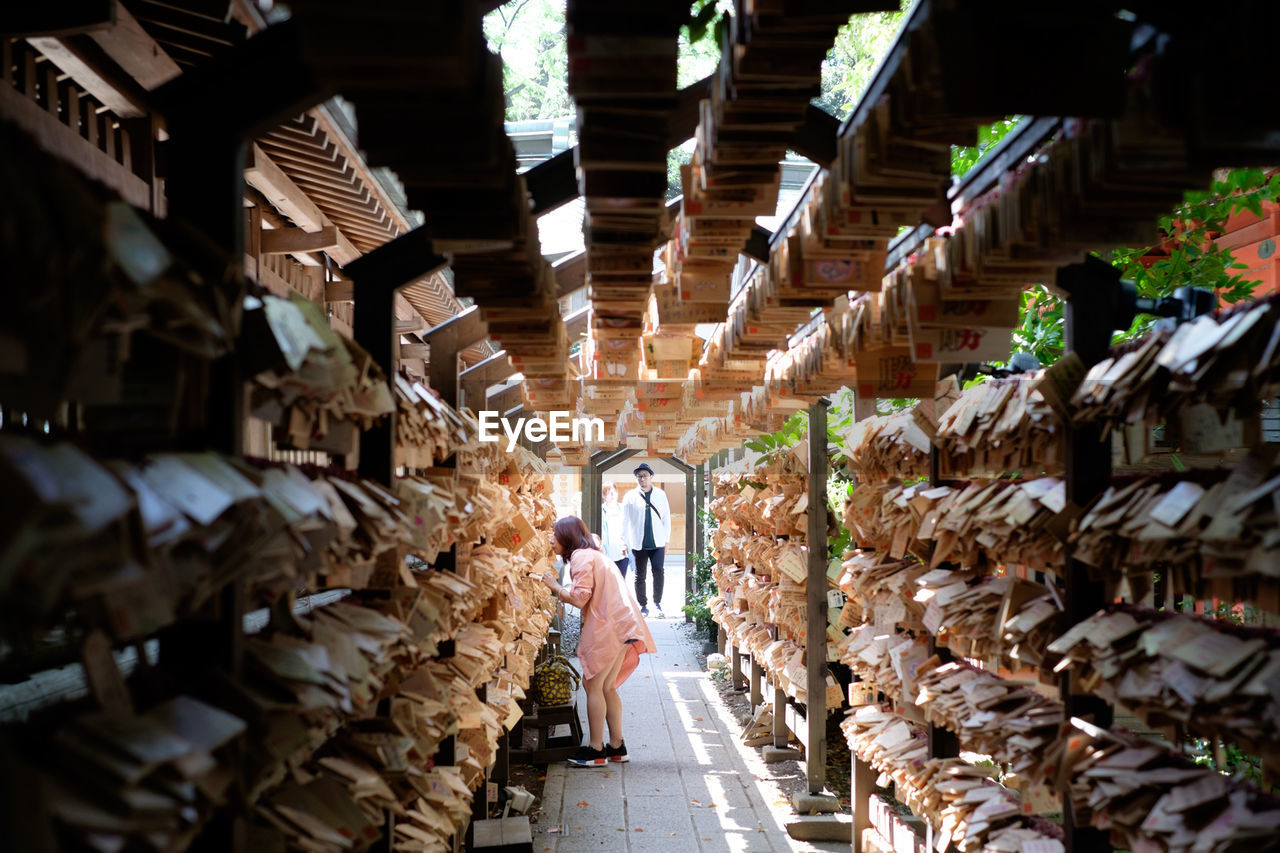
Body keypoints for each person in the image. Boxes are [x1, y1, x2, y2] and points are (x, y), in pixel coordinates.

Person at [541, 516, 656, 767]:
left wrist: (554, 586)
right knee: (606, 687)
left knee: (592, 684)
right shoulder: (593, 553)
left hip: (610, 625)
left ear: (567, 537)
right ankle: (617, 746)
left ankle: (595, 750)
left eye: (555, 535)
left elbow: (581, 598)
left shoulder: (581, 557)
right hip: (623, 623)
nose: (551, 540)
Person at [620, 463, 671, 617]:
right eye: (639, 476)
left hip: (658, 542)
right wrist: (623, 541)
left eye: (645, 475)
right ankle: (643, 605)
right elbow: (625, 521)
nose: (642, 479)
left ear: (651, 477)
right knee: (640, 574)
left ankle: (657, 603)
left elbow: (666, 518)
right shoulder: (630, 496)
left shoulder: (661, 494)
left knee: (658, 571)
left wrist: (667, 540)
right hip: (638, 542)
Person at [599, 482, 628, 575]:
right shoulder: (600, 511)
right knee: (609, 583)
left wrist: (627, 544)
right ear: (603, 495)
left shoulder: (623, 509)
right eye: (608, 492)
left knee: (621, 581)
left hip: (622, 552)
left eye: (614, 492)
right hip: (606, 553)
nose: (612, 495)